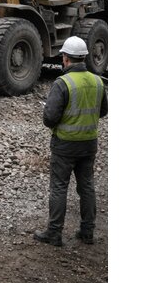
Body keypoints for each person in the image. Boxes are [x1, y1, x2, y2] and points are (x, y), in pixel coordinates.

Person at [34, 36, 108, 247]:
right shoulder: (97, 81)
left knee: (59, 188)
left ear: (65, 58)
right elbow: (103, 111)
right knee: (87, 187)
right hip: (89, 144)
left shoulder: (63, 83)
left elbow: (49, 118)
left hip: (65, 145)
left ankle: (54, 234)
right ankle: (87, 232)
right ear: (84, 57)